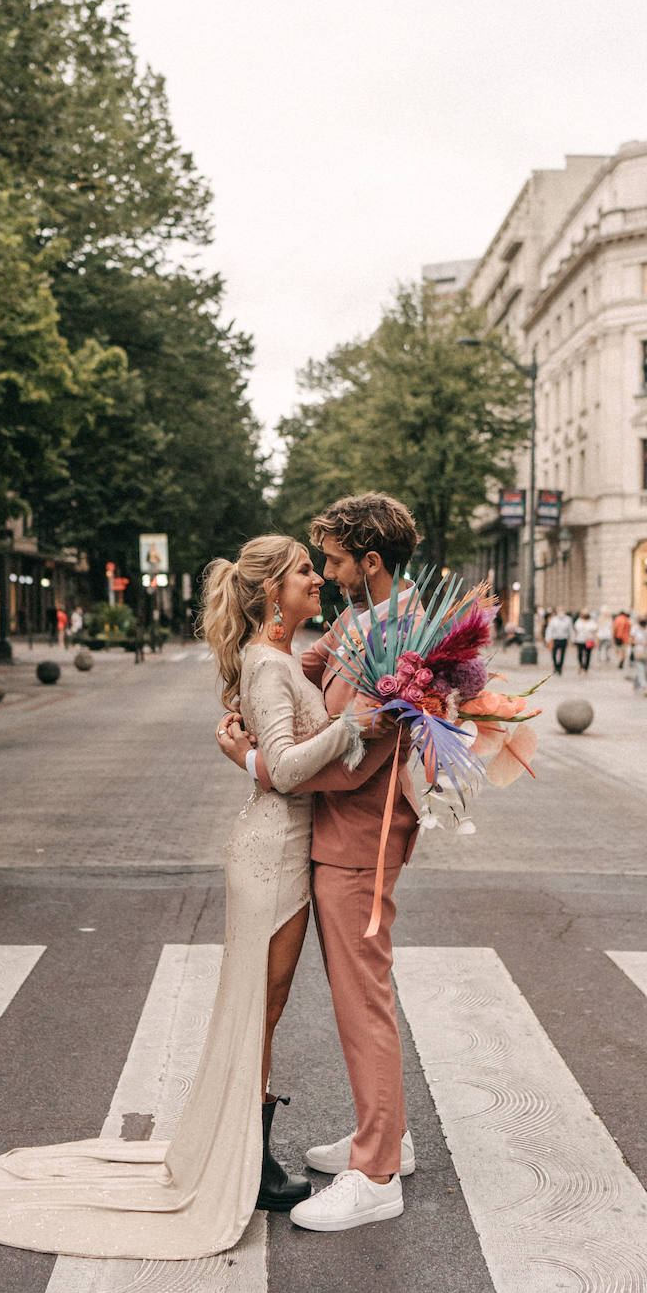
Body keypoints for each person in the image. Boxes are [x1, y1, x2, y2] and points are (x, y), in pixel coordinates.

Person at [0, 536, 365, 1259]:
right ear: (271, 595)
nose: (316, 580)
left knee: (262, 1007)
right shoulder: (267, 666)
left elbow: (277, 759)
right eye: (303, 573)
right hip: (272, 854)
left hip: (284, 851)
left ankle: (246, 1150)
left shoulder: (281, 658)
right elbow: (288, 771)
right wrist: (351, 728)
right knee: (259, 1008)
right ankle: (248, 1160)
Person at [218, 492, 421, 1232]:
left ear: (370, 562)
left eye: (334, 561)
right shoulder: (366, 622)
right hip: (337, 837)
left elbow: (364, 761)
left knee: (360, 1001)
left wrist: (257, 763)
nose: (329, 573)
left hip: (356, 837)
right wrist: (281, 669)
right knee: (360, 996)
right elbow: (309, 672)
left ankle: (377, 1172)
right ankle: (385, 1132)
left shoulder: (402, 639)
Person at [629, 614, 647, 695]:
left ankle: (635, 685)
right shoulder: (634, 628)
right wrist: (640, 643)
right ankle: (645, 688)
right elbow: (631, 641)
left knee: (643, 670)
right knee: (641, 669)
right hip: (638, 652)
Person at [545, 607, 574, 675]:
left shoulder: (568, 619)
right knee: (554, 653)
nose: (561, 612)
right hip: (556, 639)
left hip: (564, 639)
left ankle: (560, 667)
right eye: (559, 610)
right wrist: (548, 639)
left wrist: (572, 639)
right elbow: (550, 629)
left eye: (562, 610)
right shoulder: (554, 619)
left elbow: (571, 630)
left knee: (562, 655)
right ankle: (556, 666)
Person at [573, 609, 596, 674]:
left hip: (589, 640)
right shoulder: (579, 621)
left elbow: (594, 631)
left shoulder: (592, 622)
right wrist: (574, 639)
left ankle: (586, 667)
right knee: (579, 654)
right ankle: (581, 665)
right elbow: (576, 631)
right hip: (580, 640)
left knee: (588, 655)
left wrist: (595, 640)